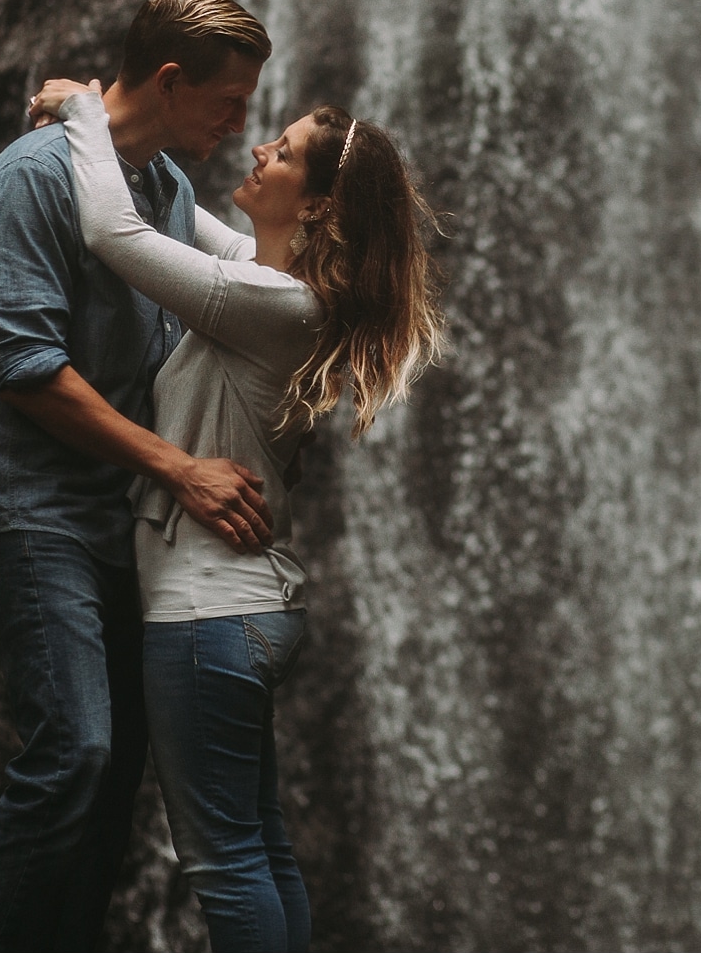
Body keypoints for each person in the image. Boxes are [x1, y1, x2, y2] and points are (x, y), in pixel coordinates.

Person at [28, 72, 445, 951]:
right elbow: (173, 225)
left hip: (204, 613)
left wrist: (82, 111)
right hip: (248, 610)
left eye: (284, 152)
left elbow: (115, 231)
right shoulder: (275, 289)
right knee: (260, 847)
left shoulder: (273, 303)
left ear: (322, 208)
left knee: (223, 863)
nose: (260, 148)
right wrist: (138, 139)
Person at [0, 0, 281, 950]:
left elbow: (254, 278)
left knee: (119, 765)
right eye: (234, 101)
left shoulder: (160, 188)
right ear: (171, 80)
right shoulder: (34, 176)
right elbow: (27, 372)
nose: (242, 125)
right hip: (30, 509)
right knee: (78, 746)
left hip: (118, 518)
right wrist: (182, 471)